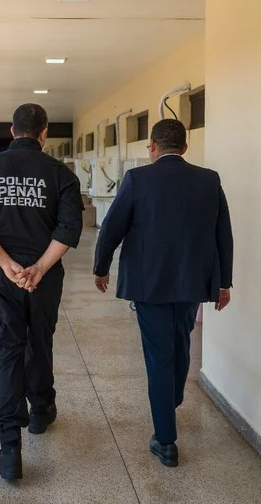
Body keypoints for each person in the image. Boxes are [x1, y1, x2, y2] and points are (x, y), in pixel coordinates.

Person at [93, 118, 233, 468]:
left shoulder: (137, 179)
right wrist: (224, 282)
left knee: (159, 356)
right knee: (181, 341)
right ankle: (172, 397)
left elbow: (112, 227)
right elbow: (223, 234)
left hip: (149, 284)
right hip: (191, 283)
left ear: (152, 147)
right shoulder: (209, 180)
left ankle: (166, 441)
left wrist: (101, 267)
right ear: (184, 147)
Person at [0, 104, 84, 480]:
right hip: (44, 279)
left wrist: (6, 265)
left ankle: (9, 448)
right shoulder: (61, 174)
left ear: (13, 131)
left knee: (7, 351)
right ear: (44, 133)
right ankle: (41, 411)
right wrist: (39, 268)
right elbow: (68, 228)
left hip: (3, 279)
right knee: (40, 341)